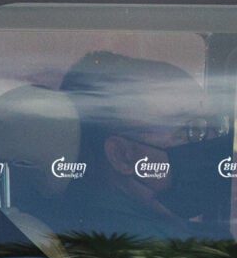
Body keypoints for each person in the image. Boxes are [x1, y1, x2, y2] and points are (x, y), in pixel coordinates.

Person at [57, 51, 232, 241]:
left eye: (216, 124)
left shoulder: (79, 221)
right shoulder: (143, 247)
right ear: (122, 155)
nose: (212, 141)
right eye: (192, 130)